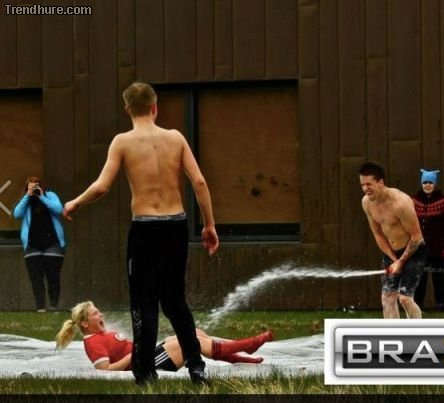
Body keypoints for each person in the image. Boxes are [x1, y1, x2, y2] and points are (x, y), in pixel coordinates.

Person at [62, 82, 220, 385]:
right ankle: (196, 367)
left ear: (127, 110)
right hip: (175, 226)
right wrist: (209, 225)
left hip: (145, 229)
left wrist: (75, 202)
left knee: (144, 304)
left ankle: (145, 372)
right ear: (154, 107)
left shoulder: (122, 142)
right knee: (175, 301)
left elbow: (102, 186)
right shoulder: (176, 138)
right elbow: (199, 182)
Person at [55, 301, 273, 372]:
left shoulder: (102, 334)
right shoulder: (92, 343)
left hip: (148, 354)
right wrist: (135, 354)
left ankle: (241, 356)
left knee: (193, 333)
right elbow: (105, 371)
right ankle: (247, 345)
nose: (101, 315)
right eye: (95, 314)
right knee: (191, 342)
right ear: (85, 323)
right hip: (146, 363)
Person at [359, 162, 426, 319]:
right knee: (387, 298)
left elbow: (417, 237)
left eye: (369, 184)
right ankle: (392, 332)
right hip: (392, 253)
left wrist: (401, 262)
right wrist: (393, 259)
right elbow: (378, 234)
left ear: (381, 182)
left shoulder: (400, 203)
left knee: (405, 299)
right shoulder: (367, 203)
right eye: (362, 185)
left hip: (414, 251)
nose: (365, 188)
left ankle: (418, 331)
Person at [12, 176, 66, 312]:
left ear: (41, 186)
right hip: (32, 244)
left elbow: (59, 209)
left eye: (36, 186)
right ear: (26, 189)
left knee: (53, 276)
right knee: (36, 278)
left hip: (52, 242)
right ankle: (40, 308)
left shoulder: (50, 195)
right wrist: (27, 196)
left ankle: (53, 307)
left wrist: (41, 196)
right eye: (31, 187)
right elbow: (17, 214)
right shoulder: (26, 201)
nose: (34, 189)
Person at [412, 169, 444, 312]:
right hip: (420, 248)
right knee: (419, 278)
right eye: (425, 182)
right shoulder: (414, 201)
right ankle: (418, 305)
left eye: (430, 182)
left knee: (439, 277)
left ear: (435, 184)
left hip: (438, 248)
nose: (427, 185)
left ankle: (440, 304)